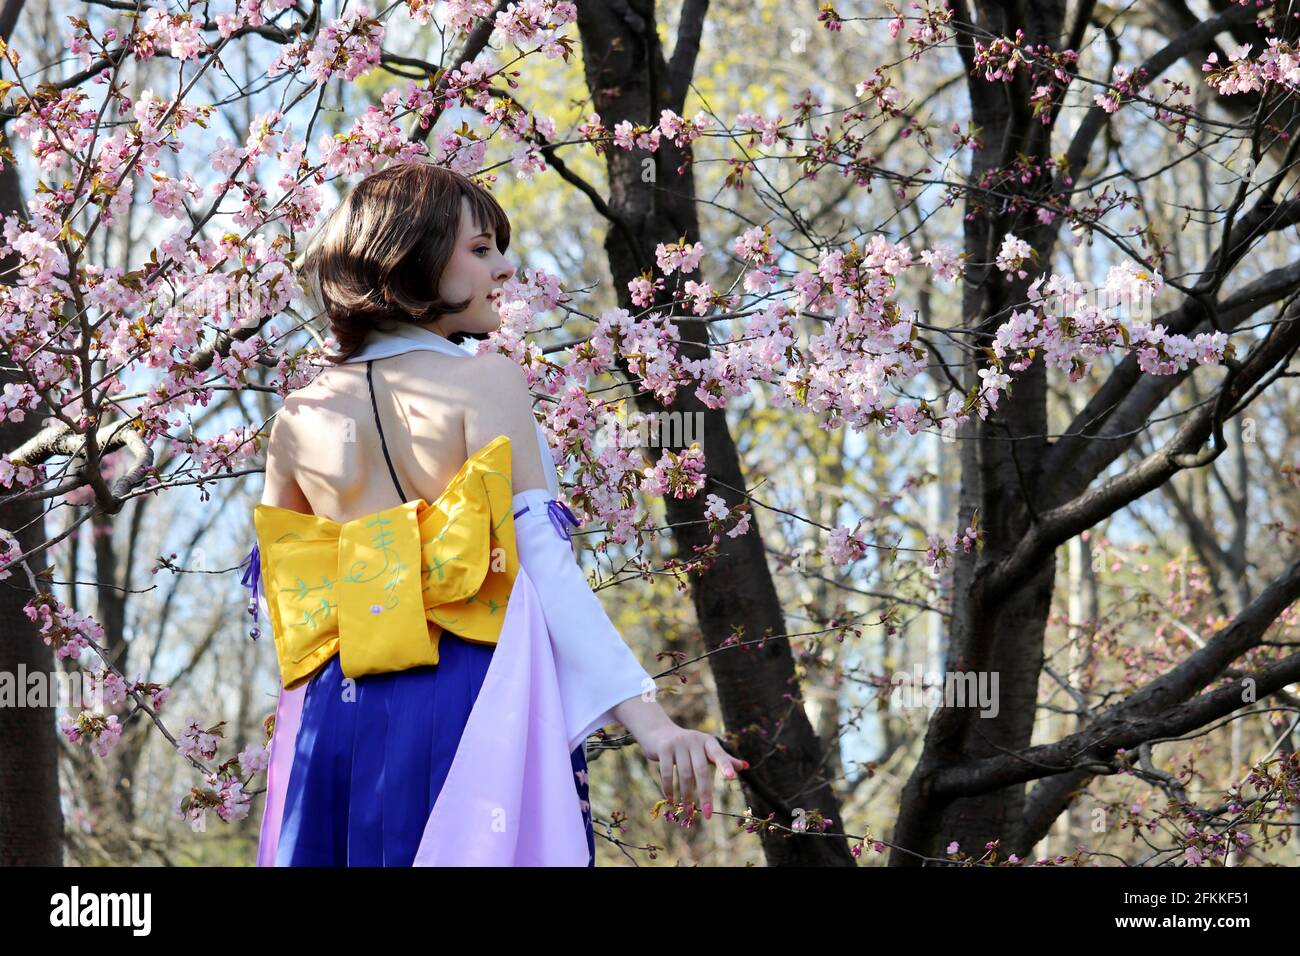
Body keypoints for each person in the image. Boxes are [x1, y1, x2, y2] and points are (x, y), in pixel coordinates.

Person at [243, 162, 746, 866]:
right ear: (408, 254)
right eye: (480, 250)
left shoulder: (298, 416)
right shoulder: (484, 381)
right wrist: (651, 722)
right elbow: (541, 560)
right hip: (468, 695)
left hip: (333, 716)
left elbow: (286, 600)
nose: (506, 270)